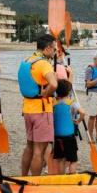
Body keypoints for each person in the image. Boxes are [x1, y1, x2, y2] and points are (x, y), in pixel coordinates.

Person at [18, 34, 58, 176]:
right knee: (39, 151)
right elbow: (54, 84)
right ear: (47, 48)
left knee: (29, 146)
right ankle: (35, 181)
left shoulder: (27, 60)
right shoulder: (44, 63)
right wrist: (46, 94)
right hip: (41, 111)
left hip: (27, 109)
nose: (55, 52)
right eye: (54, 49)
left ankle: (24, 177)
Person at [52, 79, 85, 174]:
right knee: (73, 160)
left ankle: (61, 178)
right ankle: (71, 176)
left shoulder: (53, 103)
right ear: (69, 92)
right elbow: (82, 112)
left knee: (61, 159)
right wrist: (78, 121)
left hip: (57, 135)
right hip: (69, 136)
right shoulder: (71, 102)